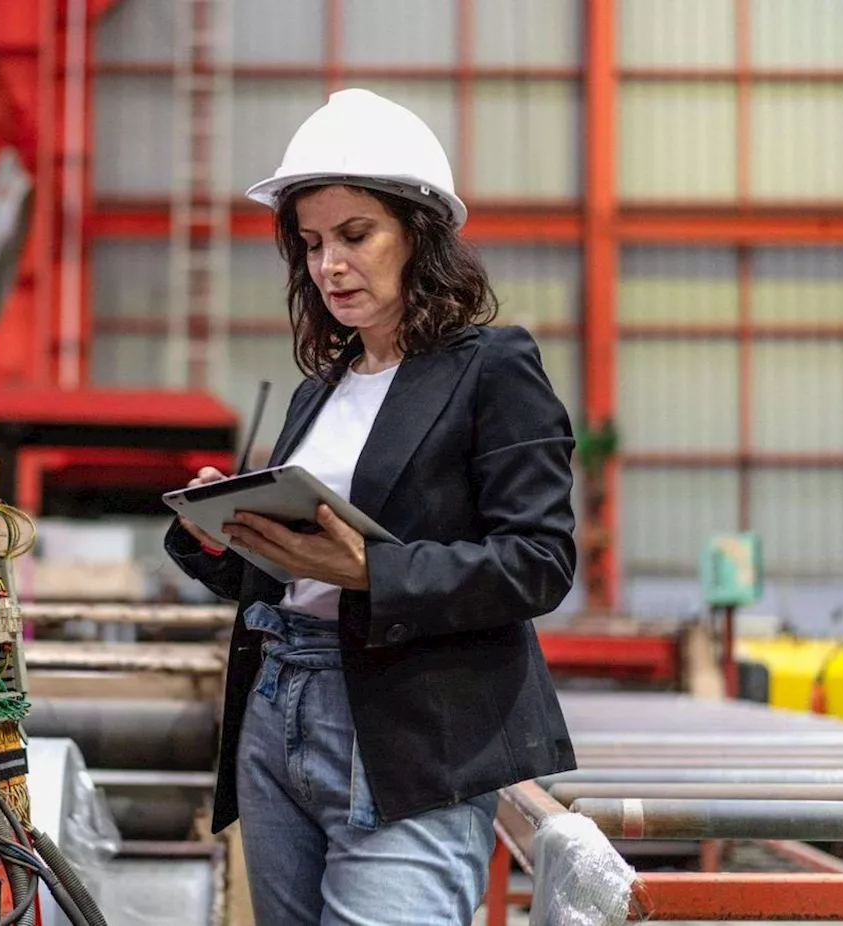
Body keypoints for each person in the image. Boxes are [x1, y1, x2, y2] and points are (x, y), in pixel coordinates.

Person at [164, 88, 577, 925]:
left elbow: (540, 561)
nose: (329, 266)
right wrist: (222, 533)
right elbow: (293, 569)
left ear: (419, 236)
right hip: (278, 703)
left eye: (355, 236)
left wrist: (371, 569)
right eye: (312, 244)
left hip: (407, 729)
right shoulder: (320, 393)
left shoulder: (492, 369)